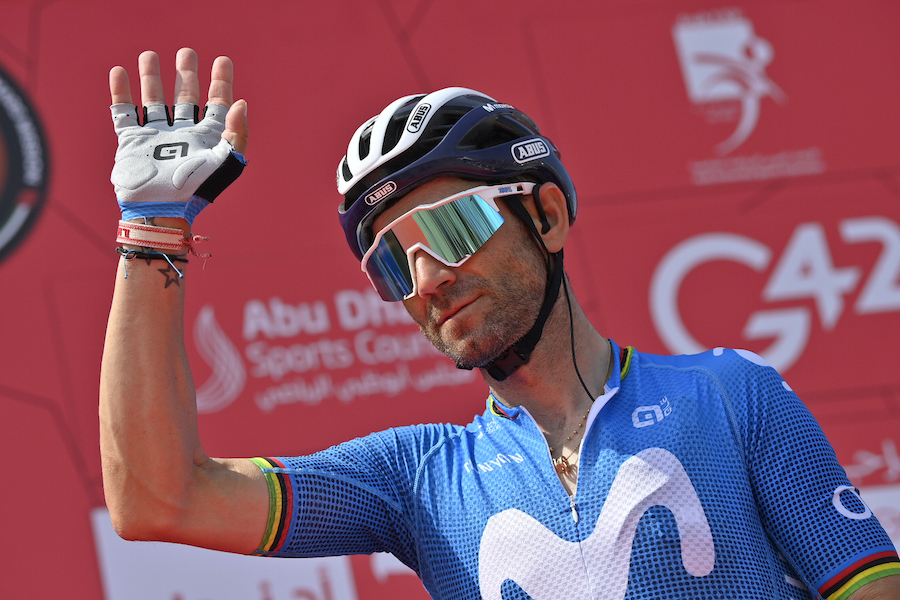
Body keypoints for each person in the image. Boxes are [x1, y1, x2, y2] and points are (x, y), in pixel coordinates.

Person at [100, 48, 900, 600]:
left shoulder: (731, 395)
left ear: (545, 216)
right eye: (393, 262)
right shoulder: (417, 480)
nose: (427, 279)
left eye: (450, 229)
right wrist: (152, 230)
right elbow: (159, 499)